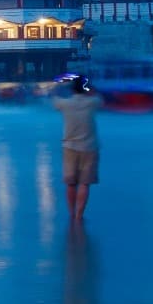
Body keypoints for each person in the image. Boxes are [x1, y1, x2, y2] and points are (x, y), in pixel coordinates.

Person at [53, 76, 103, 221]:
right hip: (90, 147)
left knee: (71, 183)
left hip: (69, 147)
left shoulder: (65, 104)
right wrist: (89, 86)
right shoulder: (93, 102)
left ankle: (71, 213)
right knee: (84, 183)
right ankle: (79, 215)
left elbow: (54, 97)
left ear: (72, 90)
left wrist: (60, 84)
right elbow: (98, 96)